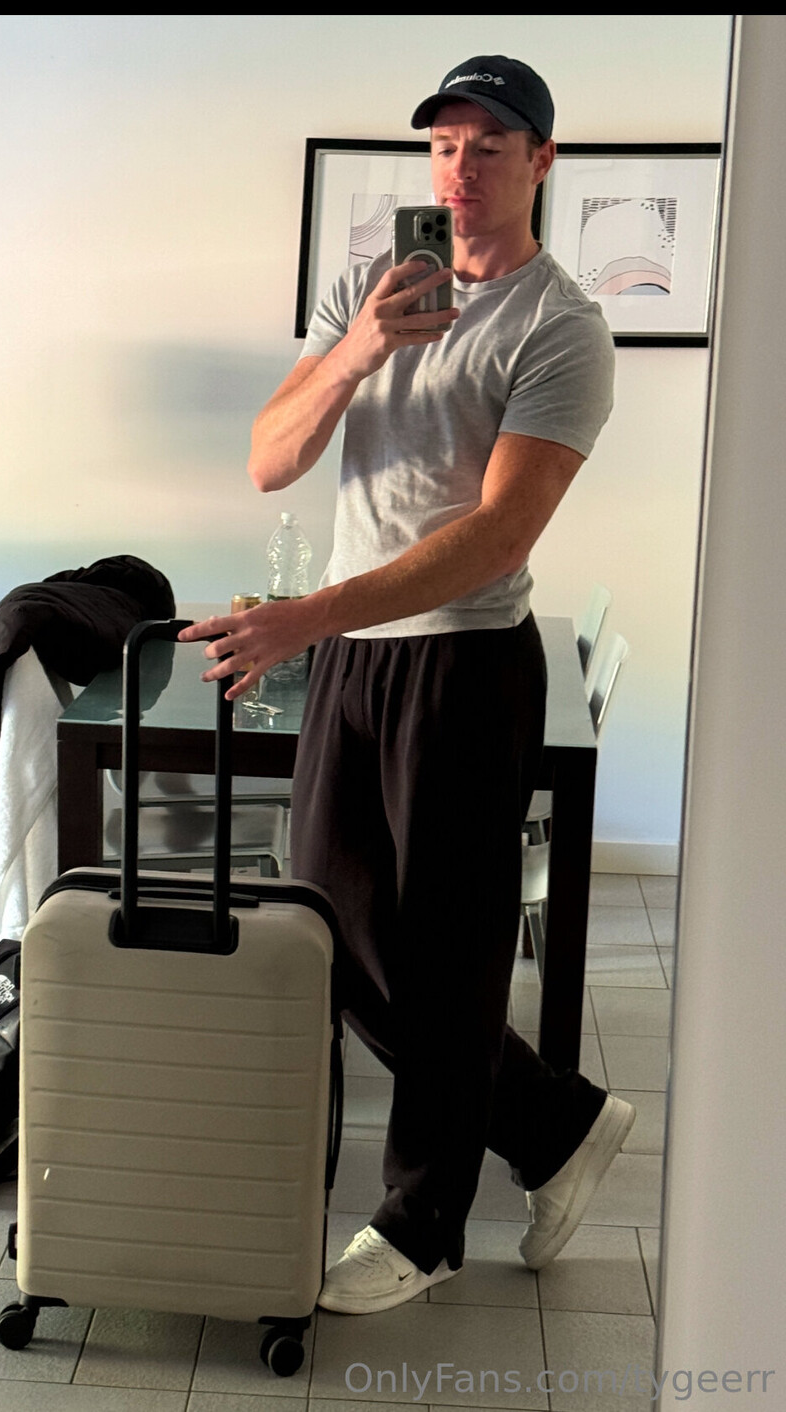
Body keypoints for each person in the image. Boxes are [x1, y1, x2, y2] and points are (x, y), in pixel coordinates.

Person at [179, 54, 634, 1315]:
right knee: (326, 934)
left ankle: (423, 1224)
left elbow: (499, 534)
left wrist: (308, 615)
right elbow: (270, 458)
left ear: (542, 161)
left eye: (491, 143)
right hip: (354, 655)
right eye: (444, 143)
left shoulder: (562, 328)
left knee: (449, 953)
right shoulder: (371, 286)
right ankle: (551, 1122)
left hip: (466, 660)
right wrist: (358, 349)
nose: (462, 165)